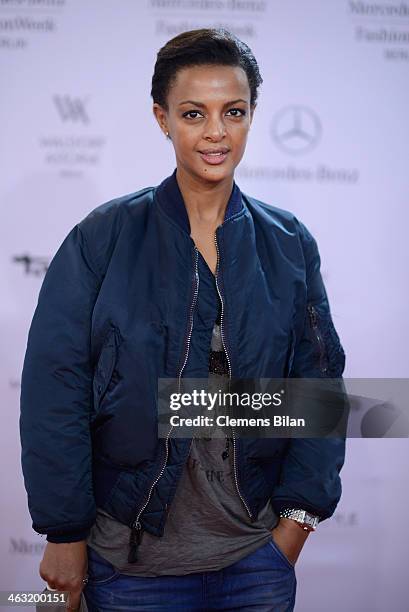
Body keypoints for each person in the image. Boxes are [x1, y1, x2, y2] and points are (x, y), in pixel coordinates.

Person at [20, 28, 347, 612]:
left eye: (234, 112)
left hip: (256, 562)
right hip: (130, 566)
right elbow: (55, 390)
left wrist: (294, 527)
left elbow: (318, 388)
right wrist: (64, 532)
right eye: (194, 113)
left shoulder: (288, 241)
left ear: (251, 116)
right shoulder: (105, 236)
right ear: (162, 118)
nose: (216, 132)